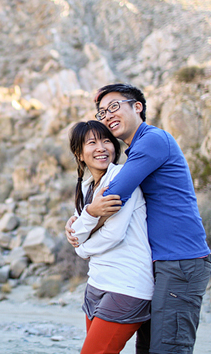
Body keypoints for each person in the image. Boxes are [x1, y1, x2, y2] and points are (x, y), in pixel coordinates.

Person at [66, 83, 211, 354]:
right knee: (146, 349)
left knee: (168, 349)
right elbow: (100, 201)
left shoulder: (152, 141)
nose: (108, 115)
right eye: (102, 112)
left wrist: (82, 232)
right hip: (160, 263)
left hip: (180, 260)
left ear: (137, 107)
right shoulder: (136, 152)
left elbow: (114, 197)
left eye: (114, 107)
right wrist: (80, 219)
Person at [68, 120, 153, 354]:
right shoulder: (86, 188)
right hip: (96, 284)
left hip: (127, 286)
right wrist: (90, 213)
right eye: (92, 143)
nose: (102, 148)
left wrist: (82, 249)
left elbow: (113, 234)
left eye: (107, 141)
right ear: (79, 153)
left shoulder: (123, 179)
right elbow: (77, 231)